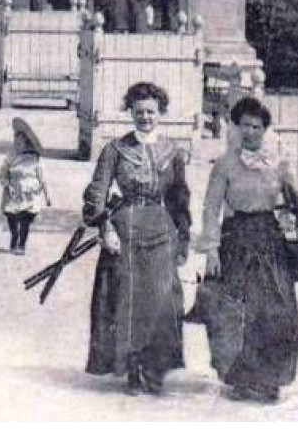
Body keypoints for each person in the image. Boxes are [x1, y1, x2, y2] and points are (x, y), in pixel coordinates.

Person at [194, 96, 298, 404]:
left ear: (265, 129)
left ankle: (271, 379)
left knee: (275, 310)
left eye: (257, 126)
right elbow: (211, 208)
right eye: (245, 125)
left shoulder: (279, 165)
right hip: (236, 241)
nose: (250, 132)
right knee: (236, 312)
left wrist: (294, 208)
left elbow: (295, 204)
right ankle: (241, 379)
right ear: (236, 127)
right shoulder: (225, 165)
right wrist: (211, 250)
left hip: (270, 242)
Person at [83, 81, 192, 395]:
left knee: (162, 300)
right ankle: (132, 369)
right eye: (139, 112)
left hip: (161, 231)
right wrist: (105, 229)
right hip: (125, 229)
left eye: (151, 112)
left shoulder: (173, 152)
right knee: (127, 301)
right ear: (130, 112)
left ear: (161, 113)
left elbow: (179, 198)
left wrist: (182, 238)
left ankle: (155, 368)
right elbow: (96, 193)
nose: (146, 117)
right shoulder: (115, 149)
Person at [0, 117, 51, 253]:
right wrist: (7, 185)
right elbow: (2, 175)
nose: (16, 144)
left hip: (29, 195)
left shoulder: (35, 160)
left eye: (20, 142)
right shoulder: (10, 157)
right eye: (15, 141)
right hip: (13, 194)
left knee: (26, 220)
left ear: (27, 143)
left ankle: (21, 245)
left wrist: (47, 196)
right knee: (12, 218)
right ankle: (14, 237)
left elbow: (43, 179)